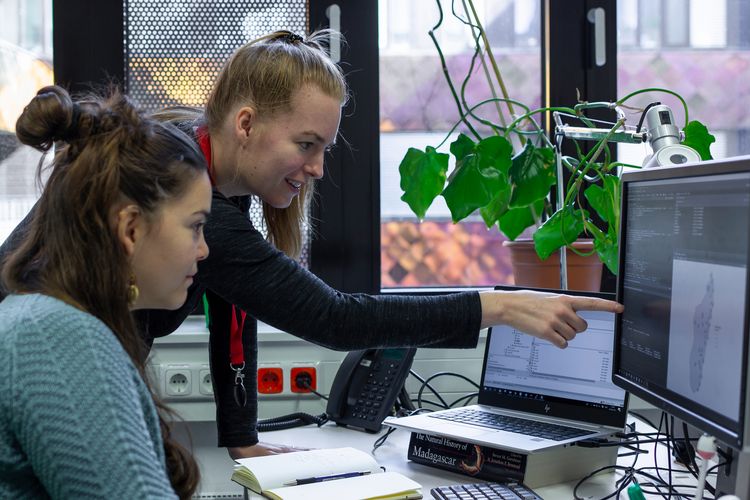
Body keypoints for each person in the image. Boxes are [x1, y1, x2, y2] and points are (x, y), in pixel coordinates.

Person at [0, 31, 623, 462]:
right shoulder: (184, 194)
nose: (319, 168)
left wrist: (241, 437)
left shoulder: (202, 170)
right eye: (306, 144)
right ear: (246, 124)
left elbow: (232, 307)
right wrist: (500, 306)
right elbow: (334, 317)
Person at [0, 86, 211, 499]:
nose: (204, 249)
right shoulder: (57, 339)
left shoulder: (44, 319)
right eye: (195, 225)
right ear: (130, 228)